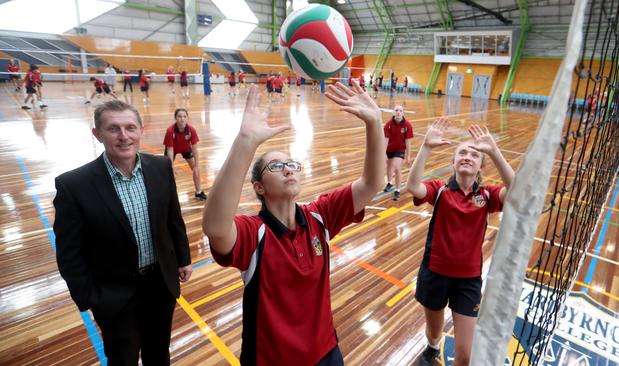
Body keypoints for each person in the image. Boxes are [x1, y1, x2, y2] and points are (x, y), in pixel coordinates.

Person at [202, 81, 384, 365]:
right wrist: (245, 142)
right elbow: (215, 227)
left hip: (325, 352)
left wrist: (375, 124)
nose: (288, 168)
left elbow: (373, 183)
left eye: (291, 164)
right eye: (275, 166)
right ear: (259, 187)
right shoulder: (254, 233)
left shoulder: (319, 216)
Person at [53, 100, 193, 365]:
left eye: (130, 127)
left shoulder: (161, 167)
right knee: (123, 358)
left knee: (158, 353)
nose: (124, 136)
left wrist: (183, 258)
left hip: (160, 285)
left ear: (141, 129)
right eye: (113, 129)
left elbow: (174, 218)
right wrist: (91, 298)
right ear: (97, 134)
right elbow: (69, 254)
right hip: (113, 294)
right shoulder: (74, 185)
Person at [406, 119, 514, 366]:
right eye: (462, 153)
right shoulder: (440, 190)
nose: (468, 156)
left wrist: (495, 151)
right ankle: (432, 346)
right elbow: (413, 186)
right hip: (434, 274)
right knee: (433, 332)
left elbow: (516, 190)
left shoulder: (487, 196)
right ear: (453, 162)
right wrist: (425, 146)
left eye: (475, 154)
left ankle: (435, 347)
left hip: (468, 281)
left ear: (480, 166)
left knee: (465, 356)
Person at [163, 108, 207, 200]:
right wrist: (171, 167)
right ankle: (169, 196)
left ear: (187, 118)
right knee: (168, 173)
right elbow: (170, 151)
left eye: (184, 116)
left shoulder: (191, 130)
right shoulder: (170, 131)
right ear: (175, 118)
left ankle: (198, 192)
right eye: (179, 116)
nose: (182, 119)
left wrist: (197, 166)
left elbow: (195, 149)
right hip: (173, 150)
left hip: (185, 148)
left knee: (196, 170)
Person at [383, 105, 414, 200]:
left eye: (400, 110)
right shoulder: (388, 124)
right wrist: (383, 152)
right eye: (396, 110)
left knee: (397, 168)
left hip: (400, 149)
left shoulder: (407, 125)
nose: (398, 112)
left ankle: (397, 190)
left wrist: (408, 155)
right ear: (393, 112)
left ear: (403, 113)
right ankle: (389, 183)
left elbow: (408, 141)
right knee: (389, 167)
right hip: (389, 149)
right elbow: (386, 140)